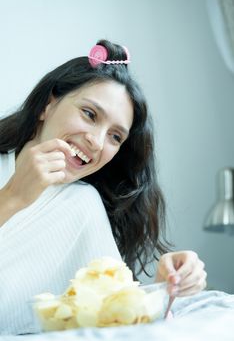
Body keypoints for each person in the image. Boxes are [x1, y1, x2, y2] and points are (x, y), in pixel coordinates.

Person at [0, 39, 207, 334]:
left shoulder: (83, 205)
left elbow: (118, 317)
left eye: (115, 137)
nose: (96, 142)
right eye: (89, 114)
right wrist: (12, 197)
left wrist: (167, 286)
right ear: (48, 104)